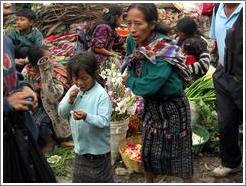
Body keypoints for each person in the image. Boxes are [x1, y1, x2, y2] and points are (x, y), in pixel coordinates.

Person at [122, 3, 193, 182]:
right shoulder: (132, 40)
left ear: (152, 24)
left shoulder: (164, 47)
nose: (132, 29)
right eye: (128, 23)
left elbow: (149, 86)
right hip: (151, 106)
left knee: (180, 156)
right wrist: (134, 78)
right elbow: (130, 64)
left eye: (138, 23)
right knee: (148, 152)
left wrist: (130, 81)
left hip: (173, 108)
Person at [3, 3, 56, 182]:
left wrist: (24, 85)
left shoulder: (5, 41)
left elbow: (9, 72)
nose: (7, 7)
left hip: (19, 128)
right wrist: (5, 103)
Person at [58, 52, 113, 183]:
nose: (79, 83)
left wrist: (86, 116)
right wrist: (69, 101)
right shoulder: (74, 90)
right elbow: (61, 113)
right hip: (80, 152)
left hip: (99, 154)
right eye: (75, 79)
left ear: (94, 73)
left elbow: (103, 121)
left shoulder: (101, 95)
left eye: (84, 78)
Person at [209, 3, 243, 177]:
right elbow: (216, 40)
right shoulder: (217, 9)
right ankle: (231, 162)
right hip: (223, 74)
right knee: (226, 121)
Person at [22, 45, 71, 152]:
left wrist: (45, 77)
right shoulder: (27, 73)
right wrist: (34, 91)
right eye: (46, 60)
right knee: (34, 124)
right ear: (35, 65)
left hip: (56, 107)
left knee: (46, 122)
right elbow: (25, 93)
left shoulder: (55, 70)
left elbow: (54, 96)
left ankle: (56, 141)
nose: (51, 61)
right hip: (37, 107)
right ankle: (47, 142)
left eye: (51, 57)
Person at [89, 4, 124, 70]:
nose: (122, 20)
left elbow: (119, 40)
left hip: (104, 58)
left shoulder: (111, 29)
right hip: (97, 61)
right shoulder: (103, 27)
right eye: (121, 17)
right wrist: (112, 54)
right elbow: (97, 48)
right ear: (116, 17)